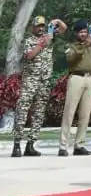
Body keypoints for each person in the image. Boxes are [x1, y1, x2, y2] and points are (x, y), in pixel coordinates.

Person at [11, 16, 67, 157]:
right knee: (22, 110)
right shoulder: (28, 41)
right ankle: (17, 144)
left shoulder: (50, 36)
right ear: (33, 27)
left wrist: (56, 21)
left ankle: (30, 145)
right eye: (38, 26)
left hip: (44, 81)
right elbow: (29, 56)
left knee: (39, 113)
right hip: (30, 81)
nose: (41, 28)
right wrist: (41, 44)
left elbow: (64, 28)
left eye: (43, 26)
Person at [59, 19, 91, 157]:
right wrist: (86, 44)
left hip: (90, 78)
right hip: (76, 78)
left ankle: (79, 145)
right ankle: (63, 146)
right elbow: (71, 59)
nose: (83, 34)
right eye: (81, 32)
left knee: (85, 114)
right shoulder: (72, 46)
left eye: (85, 31)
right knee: (69, 112)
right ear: (76, 33)